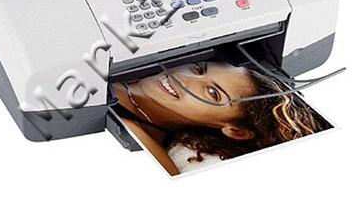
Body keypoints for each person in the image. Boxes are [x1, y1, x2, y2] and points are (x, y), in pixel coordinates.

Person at [113, 61, 332, 175]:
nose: (182, 77)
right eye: (198, 68)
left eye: (212, 93)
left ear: (235, 131)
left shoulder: (138, 134)